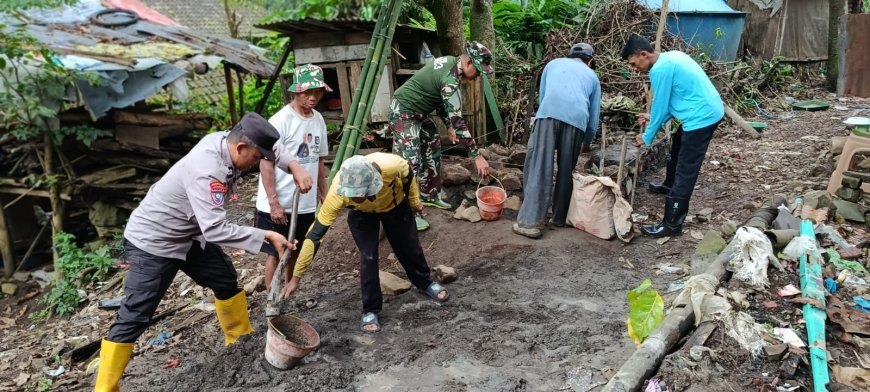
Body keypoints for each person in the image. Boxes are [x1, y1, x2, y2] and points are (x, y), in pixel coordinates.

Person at [94, 113, 313, 392]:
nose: (259, 164)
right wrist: (266, 235)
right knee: (136, 315)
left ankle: (240, 341)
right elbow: (215, 230)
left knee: (224, 279)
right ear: (241, 149)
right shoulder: (206, 168)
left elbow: (272, 147)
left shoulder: (229, 142)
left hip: (189, 234)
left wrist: (295, 165)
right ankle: (105, 388)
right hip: (154, 242)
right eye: (257, 158)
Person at [279, 153, 449, 332]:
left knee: (409, 245)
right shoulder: (337, 194)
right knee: (368, 257)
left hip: (395, 204)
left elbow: (409, 177)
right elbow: (314, 237)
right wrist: (296, 278)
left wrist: (414, 202)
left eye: (367, 193)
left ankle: (425, 282)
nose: (366, 197)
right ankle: (371, 309)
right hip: (361, 216)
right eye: (357, 195)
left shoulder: (392, 165)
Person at [621, 35, 724, 237]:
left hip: (701, 117)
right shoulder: (671, 57)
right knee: (677, 146)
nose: (634, 68)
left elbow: (660, 104)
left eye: (633, 63)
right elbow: (673, 101)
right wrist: (653, 117)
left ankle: (672, 224)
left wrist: (648, 137)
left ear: (644, 55)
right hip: (705, 109)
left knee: (686, 167)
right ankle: (669, 185)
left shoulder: (659, 70)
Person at [390, 41, 494, 231]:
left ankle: (429, 194)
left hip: (419, 114)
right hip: (403, 111)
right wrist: (476, 156)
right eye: (478, 71)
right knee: (409, 161)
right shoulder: (451, 77)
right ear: (469, 62)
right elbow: (459, 120)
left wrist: (448, 126)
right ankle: (406, 214)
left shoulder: (451, 63)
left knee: (432, 143)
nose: (478, 76)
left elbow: (439, 98)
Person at [513, 43, 601, 239]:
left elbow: (543, 95)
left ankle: (530, 222)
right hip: (577, 120)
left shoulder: (552, 64)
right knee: (565, 170)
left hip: (549, 113)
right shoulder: (593, 77)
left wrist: (545, 116)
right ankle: (559, 217)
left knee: (539, 167)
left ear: (569, 56)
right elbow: (594, 117)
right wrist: (586, 141)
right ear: (590, 61)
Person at [257, 64, 330, 296]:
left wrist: (323, 193)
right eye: (308, 92)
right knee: (276, 252)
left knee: (297, 249)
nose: (313, 97)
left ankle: (289, 292)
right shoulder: (280, 120)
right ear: (295, 92)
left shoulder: (318, 119)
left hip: (305, 202)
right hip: (280, 201)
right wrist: (274, 203)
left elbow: (318, 161)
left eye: (318, 92)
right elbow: (265, 163)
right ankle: (272, 296)